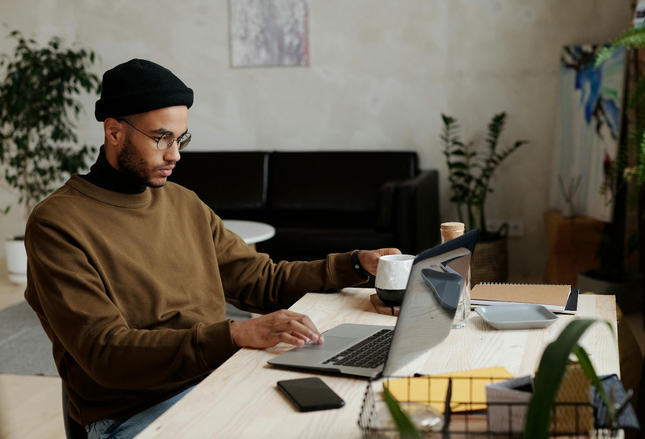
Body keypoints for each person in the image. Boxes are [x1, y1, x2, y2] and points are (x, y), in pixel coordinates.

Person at [24, 58, 400, 439]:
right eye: (161, 138)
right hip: (136, 413)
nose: (175, 155)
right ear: (114, 131)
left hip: (221, 380)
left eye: (181, 139)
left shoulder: (183, 202)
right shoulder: (57, 223)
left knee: (357, 416)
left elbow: (261, 281)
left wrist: (356, 265)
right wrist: (236, 335)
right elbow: (106, 352)